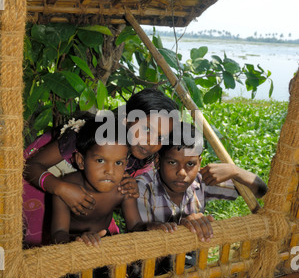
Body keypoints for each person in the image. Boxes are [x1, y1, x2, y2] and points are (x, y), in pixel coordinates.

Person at [23, 88, 178, 246]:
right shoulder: (83, 138)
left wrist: (131, 189)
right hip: (38, 189)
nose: (151, 142)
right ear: (125, 119)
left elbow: (114, 200)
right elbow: (30, 167)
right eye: (146, 129)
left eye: (160, 137)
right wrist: (61, 188)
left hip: (85, 215)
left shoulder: (141, 159)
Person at [136, 122, 268, 242]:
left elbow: (260, 191)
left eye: (190, 164)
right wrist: (179, 229)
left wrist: (236, 171)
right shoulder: (144, 187)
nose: (182, 173)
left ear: (199, 163)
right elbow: (137, 232)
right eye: (172, 162)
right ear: (158, 161)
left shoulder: (202, 182)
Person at [50, 117, 142, 246]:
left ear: (126, 164)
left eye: (118, 163)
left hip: (104, 248)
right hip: (71, 251)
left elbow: (136, 225)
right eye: (100, 161)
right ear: (81, 161)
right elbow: (58, 234)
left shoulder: (124, 187)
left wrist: (152, 227)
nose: (110, 171)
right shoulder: (66, 189)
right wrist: (79, 240)